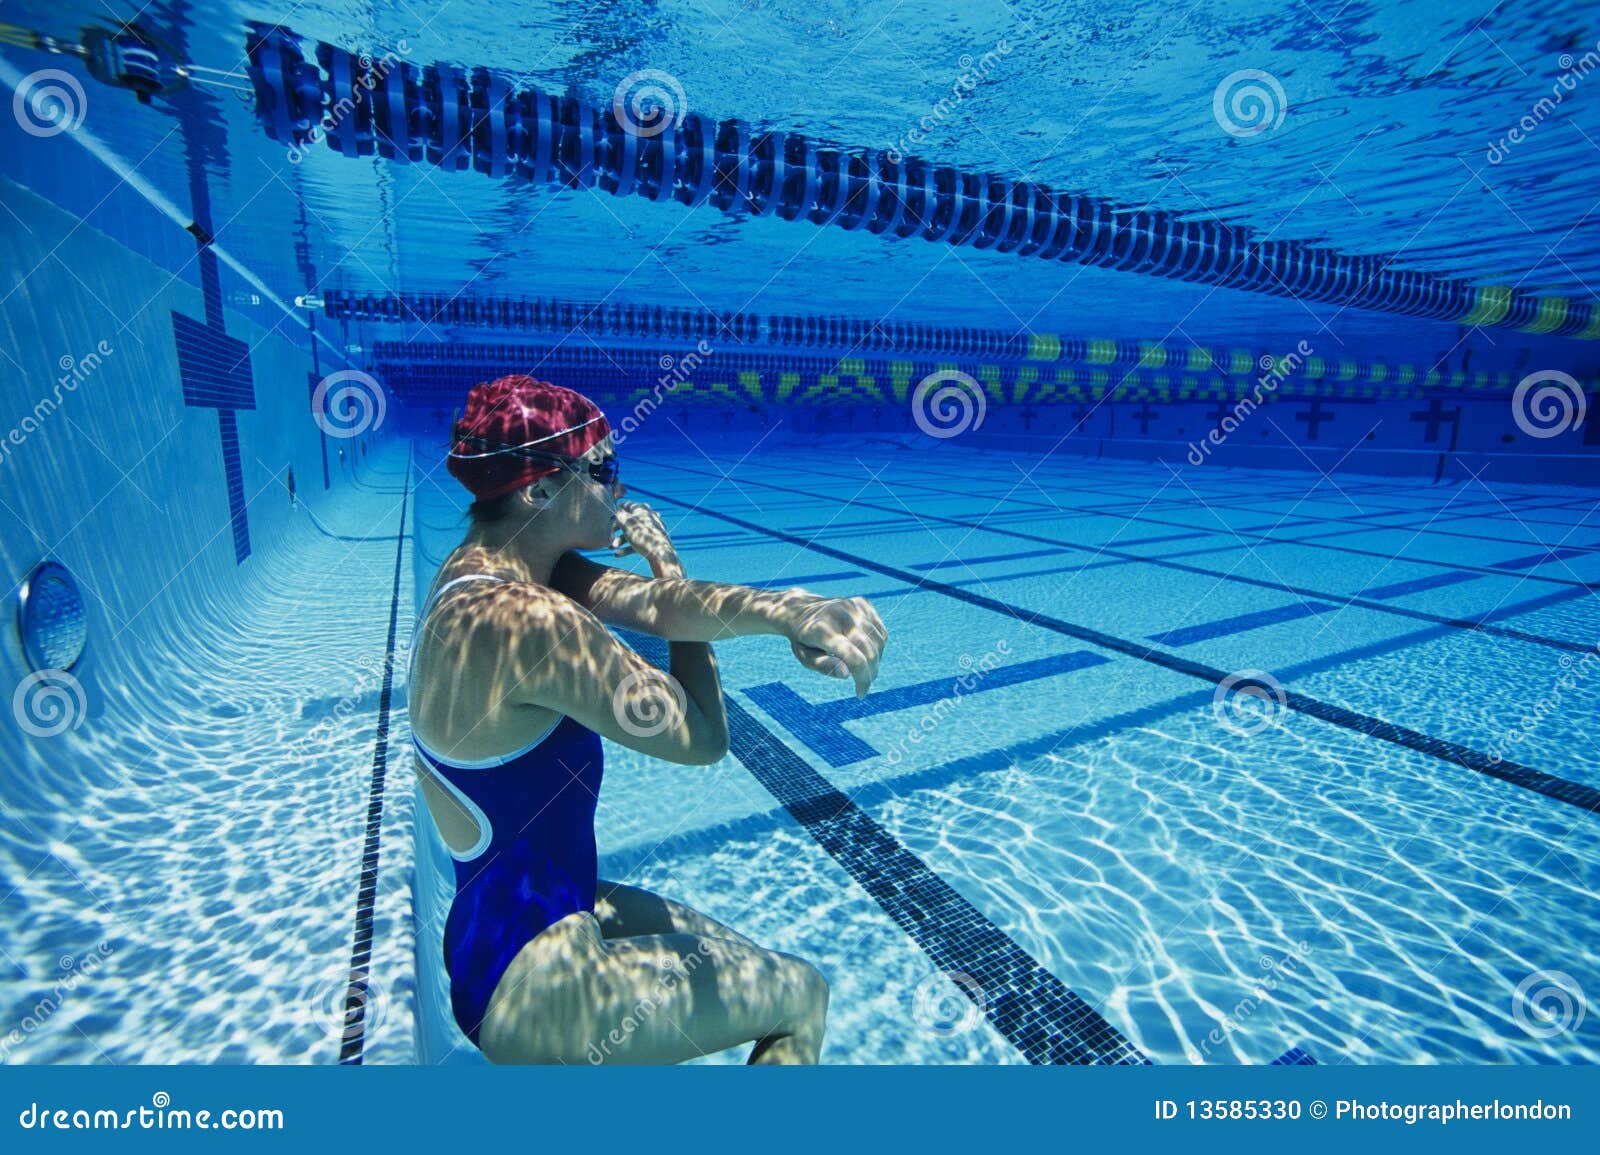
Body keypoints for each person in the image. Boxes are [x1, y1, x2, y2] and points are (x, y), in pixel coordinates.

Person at [406, 374, 888, 1064]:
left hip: (508, 925)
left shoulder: (485, 574)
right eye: (603, 470)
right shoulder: (532, 621)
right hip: (545, 991)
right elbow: (704, 737)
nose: (620, 490)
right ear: (539, 490)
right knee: (801, 993)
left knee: (742, 958)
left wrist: (788, 611)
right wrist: (682, 580)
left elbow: (659, 606)